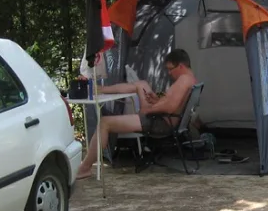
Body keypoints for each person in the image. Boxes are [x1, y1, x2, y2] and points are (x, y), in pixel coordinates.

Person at [76, 49, 197, 179]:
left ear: (181, 66)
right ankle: (100, 89)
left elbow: (170, 107)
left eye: (170, 69)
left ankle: (85, 168)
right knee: (142, 84)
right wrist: (156, 100)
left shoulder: (184, 80)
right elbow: (172, 103)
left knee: (105, 123)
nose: (169, 73)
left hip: (161, 122)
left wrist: (148, 110)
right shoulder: (190, 79)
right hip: (165, 118)